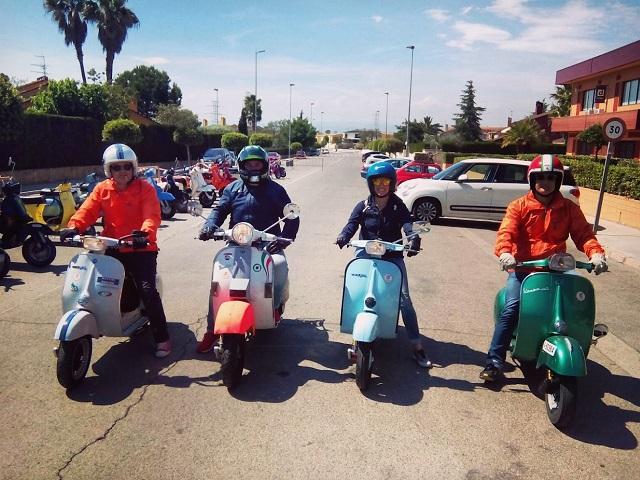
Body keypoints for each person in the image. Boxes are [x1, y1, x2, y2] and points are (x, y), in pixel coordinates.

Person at [480, 154, 608, 381]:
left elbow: (584, 234)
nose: (545, 182)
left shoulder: (568, 208)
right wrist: (506, 252)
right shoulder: (518, 206)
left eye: (551, 178)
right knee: (512, 308)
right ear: (532, 180)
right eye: (540, 177)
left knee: (577, 305)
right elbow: (506, 232)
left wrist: (596, 253)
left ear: (558, 181)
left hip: (558, 268)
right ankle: (494, 362)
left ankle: (574, 345)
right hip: (524, 268)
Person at [59, 144, 172, 358]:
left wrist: (144, 234)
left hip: (141, 247)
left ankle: (162, 338)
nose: (122, 171)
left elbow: (152, 215)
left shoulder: (145, 189)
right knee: (93, 281)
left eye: (126, 167)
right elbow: (88, 210)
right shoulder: (102, 189)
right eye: (116, 167)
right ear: (109, 169)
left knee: (147, 289)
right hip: (111, 245)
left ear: (133, 168)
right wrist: (74, 226)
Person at [196, 145, 300, 352]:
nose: (253, 168)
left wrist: (285, 238)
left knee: (279, 264)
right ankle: (211, 330)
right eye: (249, 164)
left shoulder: (276, 190)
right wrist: (209, 226)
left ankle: (275, 306)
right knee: (219, 281)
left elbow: (291, 216)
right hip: (237, 242)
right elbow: (219, 210)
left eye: (257, 164)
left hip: (267, 243)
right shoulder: (232, 189)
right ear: (241, 166)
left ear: (264, 165)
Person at [335, 162, 432, 368]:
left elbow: (408, 224)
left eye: (385, 181)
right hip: (365, 253)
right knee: (355, 290)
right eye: (377, 181)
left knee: (404, 299)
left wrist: (414, 238)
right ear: (371, 184)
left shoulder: (398, 205)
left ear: (392, 183)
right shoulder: (363, 205)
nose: (381, 185)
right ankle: (356, 334)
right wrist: (344, 235)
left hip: (392, 255)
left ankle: (417, 345)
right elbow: (352, 224)